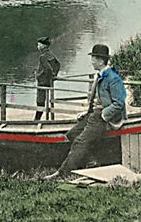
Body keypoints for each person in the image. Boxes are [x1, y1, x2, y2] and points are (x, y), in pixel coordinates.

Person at [44, 43, 127, 180]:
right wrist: (86, 112)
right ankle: (91, 162)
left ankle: (62, 173)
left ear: (100, 60)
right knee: (72, 134)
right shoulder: (100, 75)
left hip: (102, 117)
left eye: (93, 58)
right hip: (93, 114)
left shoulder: (113, 78)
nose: (92, 61)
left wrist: (103, 115)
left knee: (79, 142)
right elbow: (95, 98)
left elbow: (119, 103)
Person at [34, 36, 61, 120]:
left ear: (43, 46)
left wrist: (41, 75)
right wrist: (54, 75)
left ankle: (36, 119)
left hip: (42, 81)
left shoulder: (43, 56)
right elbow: (58, 64)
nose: (37, 47)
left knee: (40, 101)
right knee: (44, 100)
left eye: (39, 45)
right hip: (48, 81)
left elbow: (48, 68)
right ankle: (39, 118)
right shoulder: (50, 54)